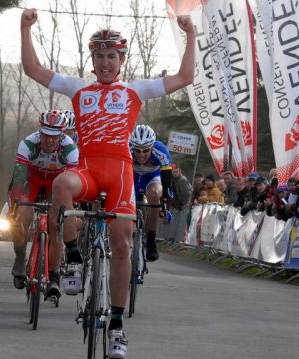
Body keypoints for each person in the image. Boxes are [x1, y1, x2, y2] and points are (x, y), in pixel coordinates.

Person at [20, 8, 195, 358]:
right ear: (92, 59)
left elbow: (185, 76)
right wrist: (25, 29)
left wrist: (190, 34)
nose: (104, 63)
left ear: (121, 59)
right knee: (61, 186)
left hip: (120, 175)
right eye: (98, 57)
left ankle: (116, 326)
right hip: (86, 170)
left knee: (122, 244)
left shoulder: (134, 90)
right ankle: (71, 258)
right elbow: (33, 70)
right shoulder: (78, 89)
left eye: (111, 57)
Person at [8, 110, 79, 296]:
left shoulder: (70, 149)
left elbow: (73, 184)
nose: (49, 141)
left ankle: (54, 276)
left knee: (56, 226)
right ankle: (20, 256)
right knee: (22, 215)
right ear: (40, 132)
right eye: (46, 135)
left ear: (62, 135)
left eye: (54, 136)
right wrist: (16, 202)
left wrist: (72, 207)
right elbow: (18, 178)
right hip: (32, 180)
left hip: (57, 183)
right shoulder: (28, 144)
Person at [129, 124, 173, 262]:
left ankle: (151, 240)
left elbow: (167, 183)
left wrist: (165, 207)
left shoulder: (161, 151)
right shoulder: (126, 148)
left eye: (146, 150)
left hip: (151, 179)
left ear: (152, 147)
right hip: (132, 178)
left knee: (154, 194)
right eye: (137, 150)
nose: (141, 154)